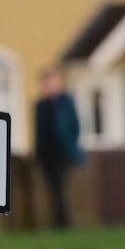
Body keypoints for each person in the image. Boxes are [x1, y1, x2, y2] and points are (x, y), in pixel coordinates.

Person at [34, 68, 84, 228]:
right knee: (53, 189)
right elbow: (39, 131)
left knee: (60, 188)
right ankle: (59, 222)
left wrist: (70, 147)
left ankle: (63, 223)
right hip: (46, 154)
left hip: (63, 153)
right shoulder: (40, 105)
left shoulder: (66, 102)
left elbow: (74, 127)